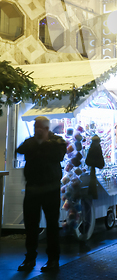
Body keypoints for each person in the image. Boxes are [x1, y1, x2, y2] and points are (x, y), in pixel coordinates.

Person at [16, 116, 66, 272]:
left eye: (38, 127)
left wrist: (43, 143)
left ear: (45, 128)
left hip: (50, 189)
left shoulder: (57, 142)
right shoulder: (31, 142)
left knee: (51, 225)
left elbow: (58, 155)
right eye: (34, 126)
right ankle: (30, 258)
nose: (35, 129)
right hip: (33, 189)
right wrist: (39, 143)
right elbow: (20, 150)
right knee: (31, 226)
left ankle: (52, 259)